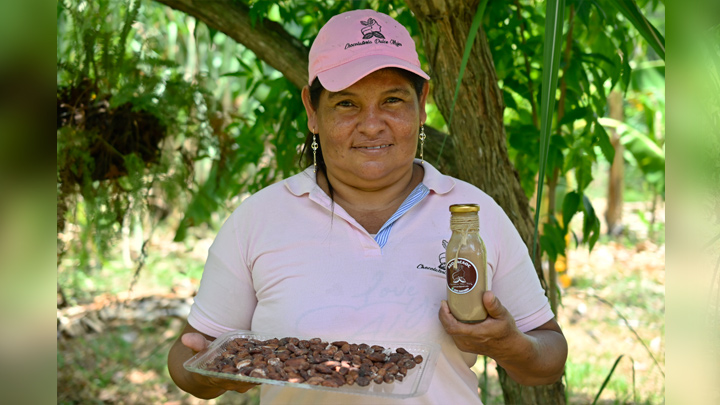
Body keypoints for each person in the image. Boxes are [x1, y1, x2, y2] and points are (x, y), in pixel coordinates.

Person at [168, 9, 567, 404]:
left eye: (393, 100)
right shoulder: (259, 219)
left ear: (422, 103)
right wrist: (214, 372)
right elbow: (188, 358)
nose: (372, 124)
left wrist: (511, 345)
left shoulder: (470, 213)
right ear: (312, 110)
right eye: (347, 104)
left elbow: (548, 357)